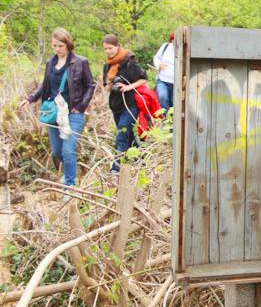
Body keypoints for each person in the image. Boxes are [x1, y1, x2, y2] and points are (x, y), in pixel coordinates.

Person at [18, 27, 95, 188]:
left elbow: (90, 85)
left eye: (60, 45)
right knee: (57, 151)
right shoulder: (50, 62)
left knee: (68, 150)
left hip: (73, 112)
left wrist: (81, 106)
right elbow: (44, 85)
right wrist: (30, 98)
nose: (57, 49)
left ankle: (70, 185)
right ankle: (70, 172)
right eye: (54, 46)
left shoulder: (80, 62)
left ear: (68, 44)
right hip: (54, 112)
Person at [102, 34, 148, 173]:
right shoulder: (108, 65)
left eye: (110, 48)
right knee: (129, 136)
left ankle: (117, 168)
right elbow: (106, 85)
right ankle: (142, 162)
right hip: (116, 105)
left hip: (130, 104)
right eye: (105, 49)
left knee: (121, 135)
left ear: (117, 46)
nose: (108, 51)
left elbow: (143, 79)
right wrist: (109, 85)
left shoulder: (129, 61)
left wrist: (128, 86)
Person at [153, 32, 175, 118]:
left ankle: (172, 127)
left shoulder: (183, 50)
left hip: (176, 83)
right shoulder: (166, 46)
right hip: (163, 80)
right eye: (173, 42)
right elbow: (156, 58)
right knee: (162, 97)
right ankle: (165, 120)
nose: (174, 44)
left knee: (174, 105)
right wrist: (159, 64)